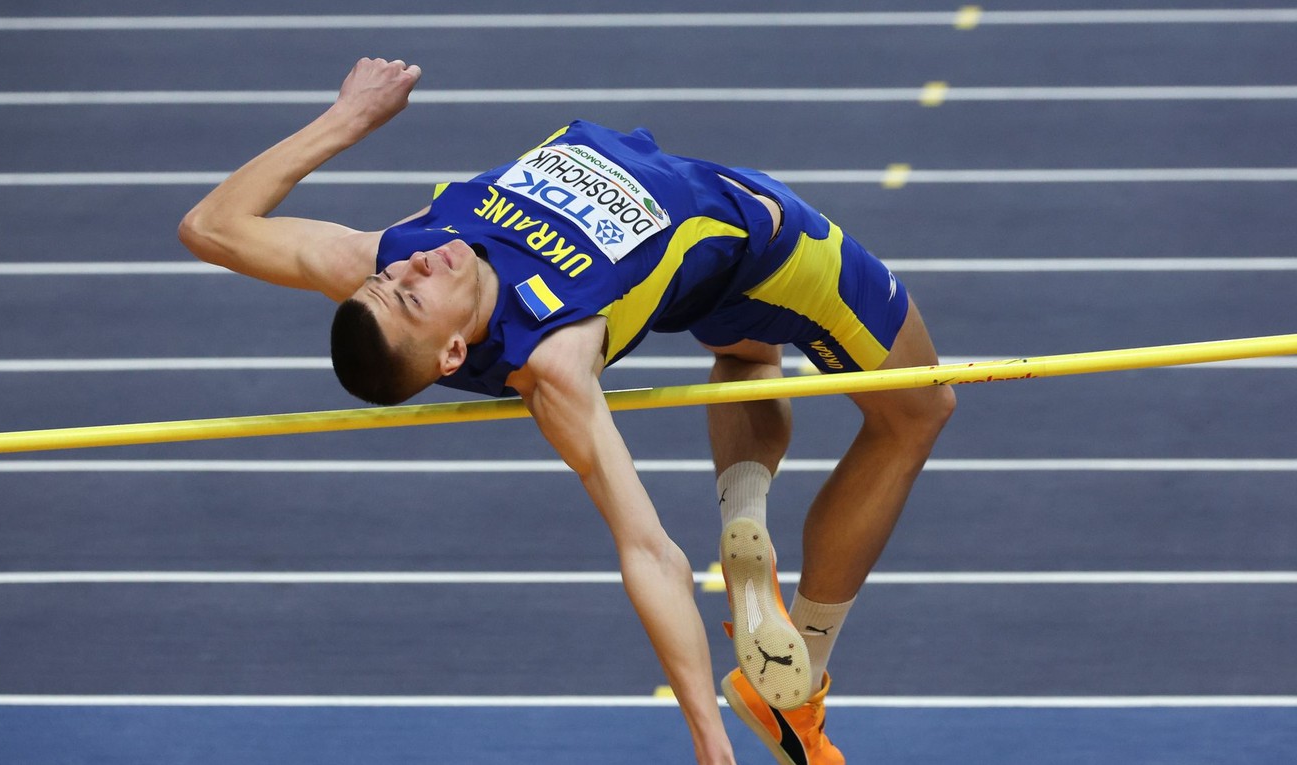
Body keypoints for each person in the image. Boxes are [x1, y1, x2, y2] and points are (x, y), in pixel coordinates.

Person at [179, 58, 954, 765]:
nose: (414, 262)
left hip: (697, 274)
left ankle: (744, 516)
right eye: (413, 293)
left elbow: (209, 227)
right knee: (917, 414)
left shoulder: (384, 258)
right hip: (770, 240)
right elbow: (647, 550)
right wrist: (709, 743)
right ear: (451, 353)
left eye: (394, 275)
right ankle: (803, 670)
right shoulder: (553, 363)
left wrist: (348, 117)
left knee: (747, 360)